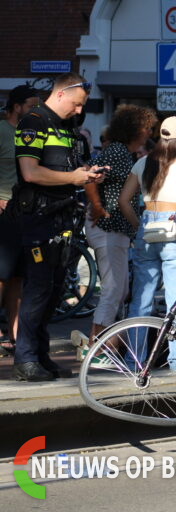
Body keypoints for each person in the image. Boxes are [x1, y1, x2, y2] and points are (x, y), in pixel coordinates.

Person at [10, 73, 104, 381]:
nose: (79, 111)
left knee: (54, 291)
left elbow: (68, 167)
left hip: (63, 218)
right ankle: (24, 358)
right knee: (37, 289)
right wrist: (73, 178)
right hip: (38, 218)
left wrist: (88, 174)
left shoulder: (67, 127)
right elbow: (30, 172)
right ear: (62, 94)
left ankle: (39, 354)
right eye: (77, 105)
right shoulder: (33, 122)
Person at [118, 116, 176, 371]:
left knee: (141, 298)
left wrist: (140, 227)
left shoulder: (144, 162)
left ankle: (134, 360)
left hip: (148, 225)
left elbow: (124, 201)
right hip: (175, 225)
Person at [77, 104, 157, 359]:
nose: (149, 133)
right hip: (108, 227)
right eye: (147, 128)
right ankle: (95, 346)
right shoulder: (117, 152)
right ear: (138, 129)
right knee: (113, 289)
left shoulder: (124, 153)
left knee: (119, 290)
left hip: (116, 229)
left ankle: (104, 344)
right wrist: (98, 206)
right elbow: (91, 175)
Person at [0, 85, 39, 356]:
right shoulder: (2, 131)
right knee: (1, 274)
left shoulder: (30, 133)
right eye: (30, 105)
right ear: (16, 106)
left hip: (25, 211)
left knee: (18, 276)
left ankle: (12, 332)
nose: (35, 110)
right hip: (3, 209)